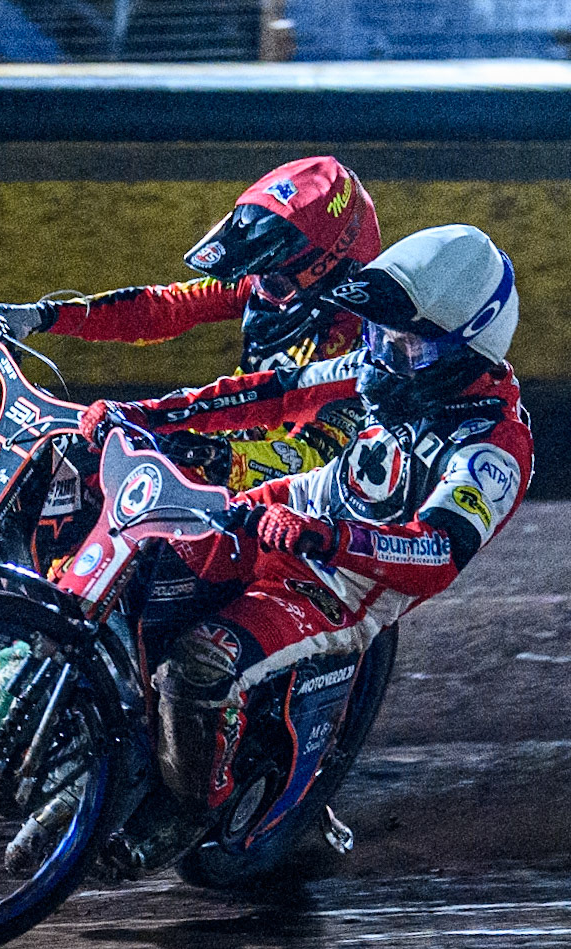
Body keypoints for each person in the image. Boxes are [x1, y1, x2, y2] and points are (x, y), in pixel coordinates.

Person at [80, 223, 535, 871]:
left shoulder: (494, 447)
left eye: (410, 347)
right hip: (283, 514)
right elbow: (268, 395)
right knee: (138, 552)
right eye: (379, 336)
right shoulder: (381, 363)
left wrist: (331, 537)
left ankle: (189, 804)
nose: (385, 356)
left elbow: (437, 551)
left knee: (198, 664)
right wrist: (144, 414)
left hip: (335, 581)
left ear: (471, 347)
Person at [0, 156, 382, 490]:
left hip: (270, 508)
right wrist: (42, 315)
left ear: (329, 269)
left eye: (271, 277)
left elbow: (315, 464)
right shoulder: (270, 283)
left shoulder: (364, 346)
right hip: (216, 445)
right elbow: (161, 309)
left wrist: (211, 457)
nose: (255, 285)